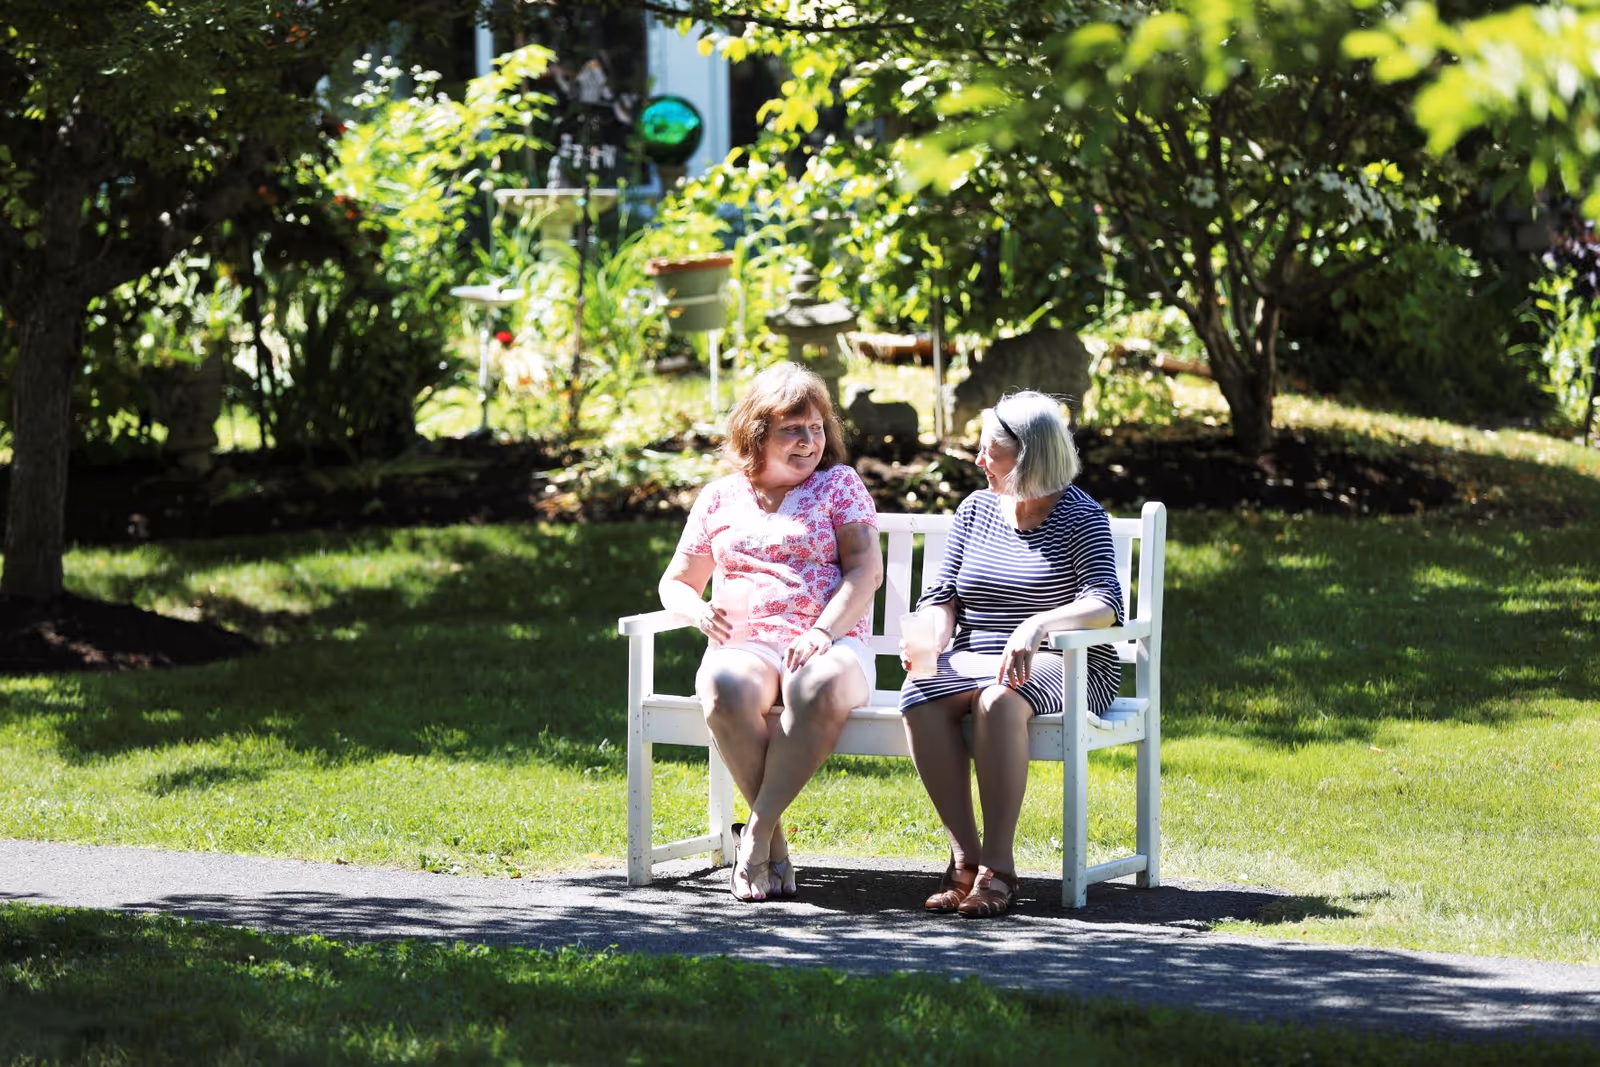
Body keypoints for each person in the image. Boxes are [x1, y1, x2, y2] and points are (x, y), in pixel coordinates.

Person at [658, 362, 883, 902]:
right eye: (792, 430)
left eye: (816, 428)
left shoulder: (839, 486)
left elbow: (865, 572)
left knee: (814, 685)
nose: (809, 442)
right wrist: (695, 612)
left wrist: (824, 632)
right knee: (724, 687)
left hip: (832, 641)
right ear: (757, 433)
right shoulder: (720, 498)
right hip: (747, 643)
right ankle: (774, 843)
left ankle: (755, 835)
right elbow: (675, 583)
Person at [899, 391, 1123, 918]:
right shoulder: (976, 509)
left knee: (1000, 700)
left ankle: (999, 869)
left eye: (989, 452)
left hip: (1068, 662)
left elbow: (1105, 603)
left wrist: (1038, 625)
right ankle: (965, 862)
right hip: (977, 655)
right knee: (920, 695)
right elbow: (943, 596)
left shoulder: (1081, 516)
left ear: (1029, 457)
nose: (978, 461)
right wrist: (932, 634)